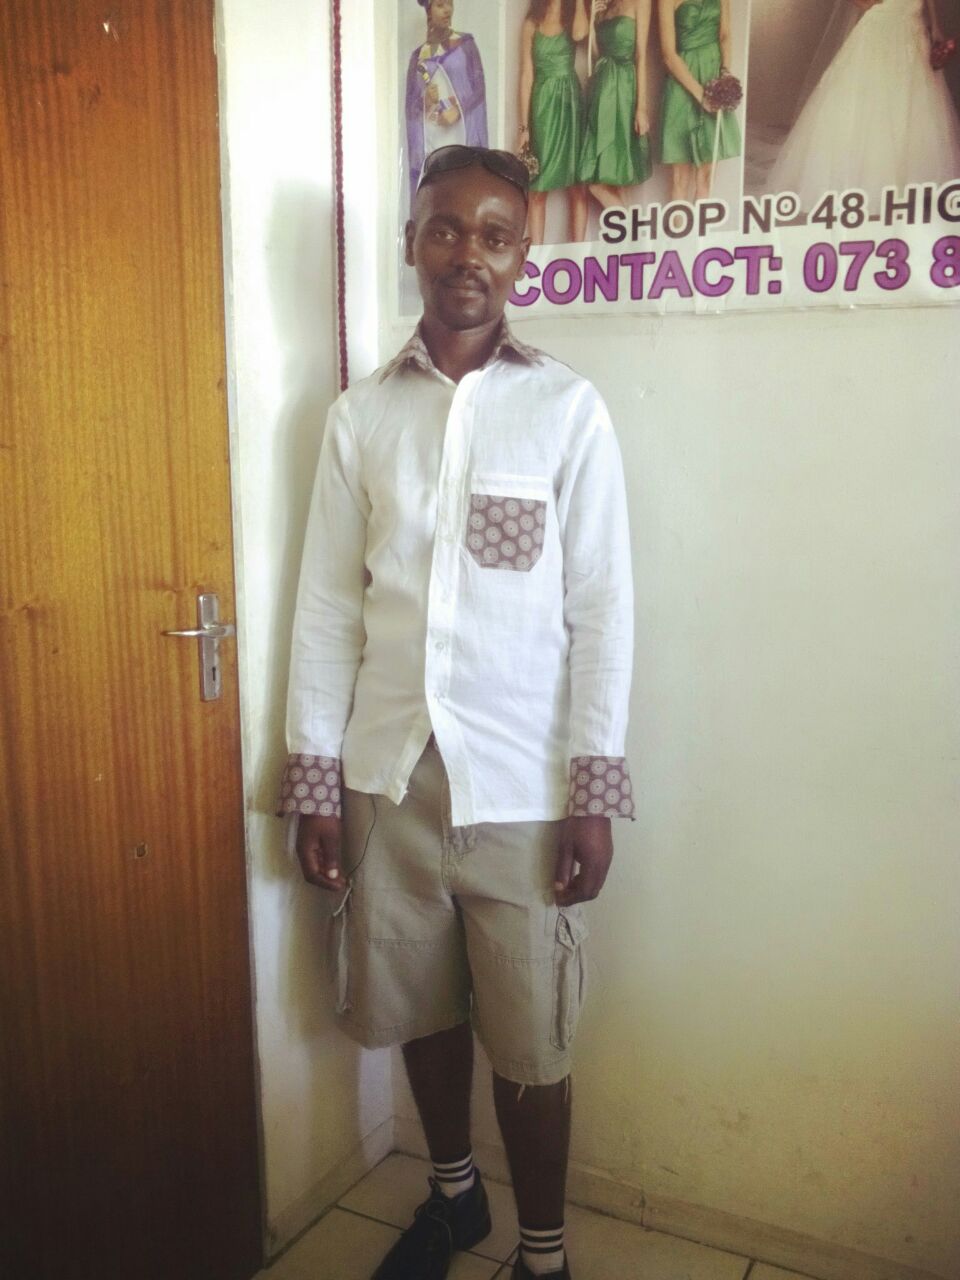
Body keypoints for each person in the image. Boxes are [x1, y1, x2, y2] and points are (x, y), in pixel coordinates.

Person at [278, 145, 635, 1280]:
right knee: (421, 1007)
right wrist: (316, 782)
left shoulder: (566, 411)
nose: (466, 254)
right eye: (444, 227)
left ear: (524, 253)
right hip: (389, 776)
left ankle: (544, 1254)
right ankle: (454, 1197)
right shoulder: (360, 418)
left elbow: (603, 611)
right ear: (411, 242)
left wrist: (593, 793)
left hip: (521, 785)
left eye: (493, 234)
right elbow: (327, 608)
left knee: (532, 1043)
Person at [767, 0, 960, 208]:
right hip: (882, 24)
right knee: (876, 98)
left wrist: (935, 26)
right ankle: (874, 184)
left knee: (916, 101)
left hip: (914, 21)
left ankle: (912, 183)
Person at [405, 0, 489, 215]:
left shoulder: (465, 44)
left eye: (449, 3)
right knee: (439, 199)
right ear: (428, 10)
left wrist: (458, 109)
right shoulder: (418, 57)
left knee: (463, 192)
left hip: (461, 135)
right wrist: (426, 101)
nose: (447, 10)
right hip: (434, 140)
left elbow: (478, 87)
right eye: (440, 5)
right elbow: (411, 106)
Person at [518, 0, 591, 244]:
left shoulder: (572, 19)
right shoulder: (531, 23)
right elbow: (526, 75)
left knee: (577, 185)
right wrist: (523, 127)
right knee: (538, 188)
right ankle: (537, 254)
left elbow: (580, 34)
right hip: (543, 107)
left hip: (570, 102)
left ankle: (578, 255)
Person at [659, 0, 742, 202]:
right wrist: (701, 95)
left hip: (712, 76)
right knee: (680, 178)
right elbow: (668, 54)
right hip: (682, 81)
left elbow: (725, 35)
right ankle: (679, 223)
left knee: (706, 176)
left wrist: (725, 76)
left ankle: (701, 223)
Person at [578, 0, 653, 213]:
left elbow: (641, 56)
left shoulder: (641, 2)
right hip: (602, 91)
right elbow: (597, 54)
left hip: (625, 90)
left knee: (619, 173)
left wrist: (641, 107)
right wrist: (592, 23)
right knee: (606, 178)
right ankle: (630, 227)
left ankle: (630, 226)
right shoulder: (604, 7)